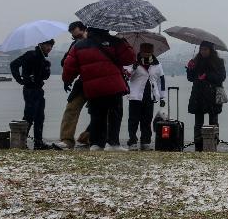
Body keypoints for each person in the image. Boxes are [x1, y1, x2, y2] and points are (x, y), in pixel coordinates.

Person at [62, 27, 135, 151]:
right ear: (106, 28)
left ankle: (96, 144)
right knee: (114, 114)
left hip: (93, 88)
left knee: (97, 115)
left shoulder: (79, 46)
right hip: (113, 86)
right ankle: (112, 143)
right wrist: (124, 42)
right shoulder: (115, 41)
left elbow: (68, 68)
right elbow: (129, 58)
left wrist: (67, 80)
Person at [9, 39, 56, 149]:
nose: (49, 48)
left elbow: (45, 77)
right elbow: (13, 64)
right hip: (30, 90)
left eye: (51, 46)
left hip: (39, 90)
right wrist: (20, 80)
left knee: (40, 117)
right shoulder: (30, 55)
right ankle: (22, 142)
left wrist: (47, 67)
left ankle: (38, 143)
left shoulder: (44, 60)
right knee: (29, 117)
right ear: (41, 44)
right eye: (47, 45)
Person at [54, 21, 90, 149]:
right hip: (82, 81)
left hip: (97, 81)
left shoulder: (97, 43)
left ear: (85, 30)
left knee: (100, 112)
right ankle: (67, 139)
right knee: (71, 109)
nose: (77, 39)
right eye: (74, 37)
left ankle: (87, 137)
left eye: (79, 36)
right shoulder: (75, 45)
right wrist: (67, 80)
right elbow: (65, 62)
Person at [186, 41, 226, 152]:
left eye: (205, 49)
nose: (203, 51)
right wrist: (190, 68)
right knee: (198, 122)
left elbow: (221, 77)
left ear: (211, 50)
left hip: (212, 95)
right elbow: (190, 78)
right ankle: (198, 145)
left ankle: (213, 143)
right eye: (201, 49)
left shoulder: (219, 62)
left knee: (213, 120)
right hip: (198, 95)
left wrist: (207, 76)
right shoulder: (196, 61)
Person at [126, 42, 166, 150]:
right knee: (133, 120)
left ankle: (146, 141)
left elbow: (161, 80)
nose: (146, 54)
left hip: (150, 96)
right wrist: (133, 68)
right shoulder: (134, 62)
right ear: (140, 51)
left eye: (149, 52)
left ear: (152, 52)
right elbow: (127, 75)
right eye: (144, 52)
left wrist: (162, 97)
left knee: (147, 120)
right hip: (135, 96)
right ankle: (132, 140)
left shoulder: (157, 64)